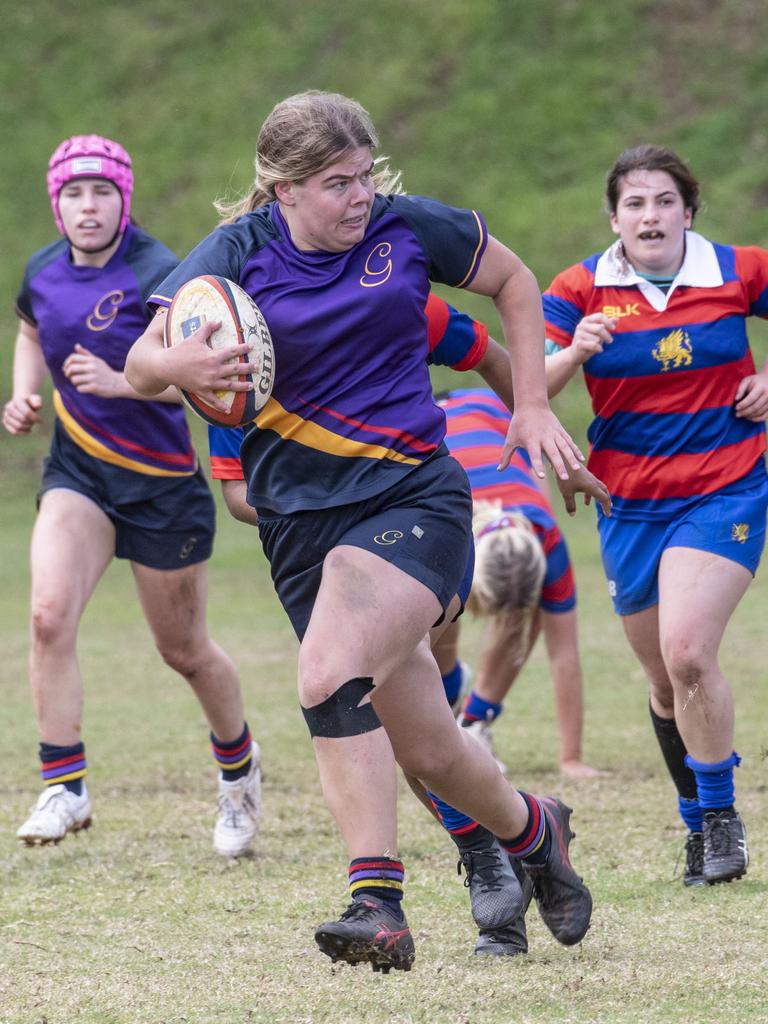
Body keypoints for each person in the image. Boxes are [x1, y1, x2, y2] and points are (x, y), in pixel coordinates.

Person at [125, 91, 593, 972]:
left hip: (414, 497)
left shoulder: (407, 230)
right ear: (282, 190)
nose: (359, 198)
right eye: (337, 184)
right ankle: (537, 831)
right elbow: (142, 362)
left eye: (365, 177)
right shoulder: (233, 256)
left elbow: (516, 283)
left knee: (326, 672)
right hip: (300, 526)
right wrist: (176, 362)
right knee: (428, 745)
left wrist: (530, 404)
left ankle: (377, 902)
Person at [4, 135, 261, 859]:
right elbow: (31, 330)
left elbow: (208, 374)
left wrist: (127, 380)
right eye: (74, 194)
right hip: (78, 474)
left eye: (102, 192)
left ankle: (239, 773)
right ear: (56, 205)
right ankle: (65, 785)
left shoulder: (163, 273)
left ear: (126, 198)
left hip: (160, 487)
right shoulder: (43, 273)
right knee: (48, 616)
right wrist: (26, 394)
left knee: (183, 651)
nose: (88, 207)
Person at [543, 144, 768, 886]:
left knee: (688, 652)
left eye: (665, 201)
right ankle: (696, 825)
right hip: (628, 501)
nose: (651, 215)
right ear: (615, 218)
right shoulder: (580, 288)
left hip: (725, 486)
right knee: (664, 684)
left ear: (688, 212)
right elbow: (529, 385)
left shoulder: (736, 270)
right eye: (635, 203)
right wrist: (572, 351)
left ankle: (724, 820)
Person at [433, 386, 604, 780]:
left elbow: (565, 655)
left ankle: (473, 721)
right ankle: (450, 700)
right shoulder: (443, 522)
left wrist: (571, 758)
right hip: (437, 422)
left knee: (521, 618)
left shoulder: (547, 543)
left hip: (494, 421)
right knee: (437, 612)